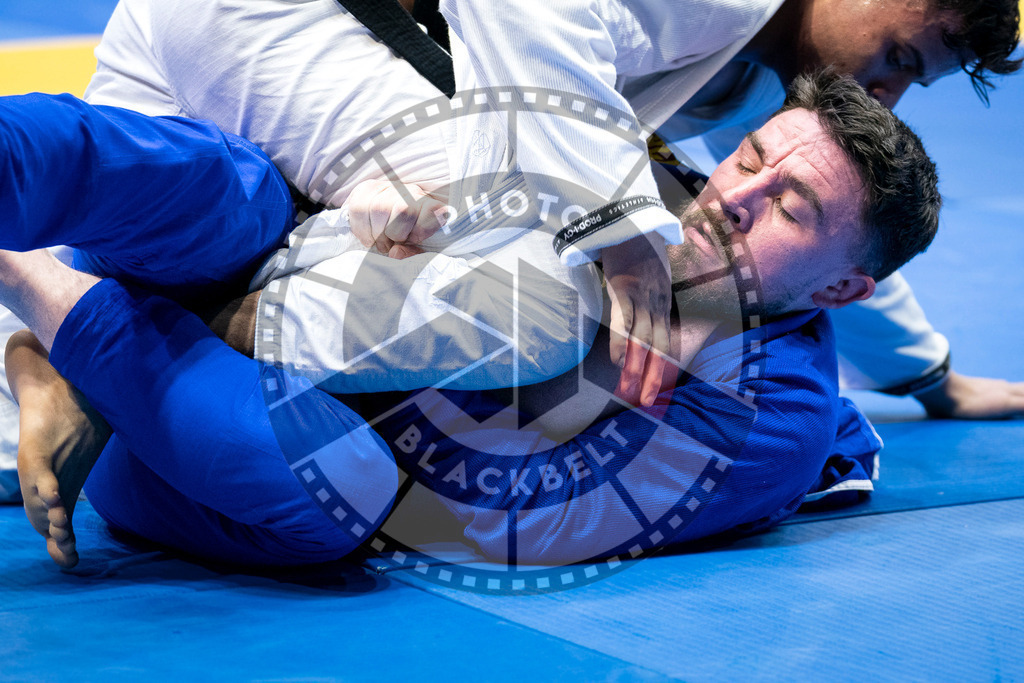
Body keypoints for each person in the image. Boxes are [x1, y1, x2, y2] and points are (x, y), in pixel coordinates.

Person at [7, 70, 938, 569]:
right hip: (242, 267)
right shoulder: (630, 184)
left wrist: (348, 333)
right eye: (751, 158)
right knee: (236, 189)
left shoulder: (766, 421)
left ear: (839, 292)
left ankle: (39, 299)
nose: (736, 195)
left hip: (199, 445)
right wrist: (375, 217)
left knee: (346, 490)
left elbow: (487, 517)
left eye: (791, 208)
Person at [81, 0, 1023, 413]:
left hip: (199, 54)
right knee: (540, 274)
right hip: (269, 21)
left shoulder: (759, 70)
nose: (887, 90)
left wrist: (927, 374)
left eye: (914, 82)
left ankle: (49, 328)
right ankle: (175, 327)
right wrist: (615, 233)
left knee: (76, 249)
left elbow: (820, 221)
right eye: (900, 53)